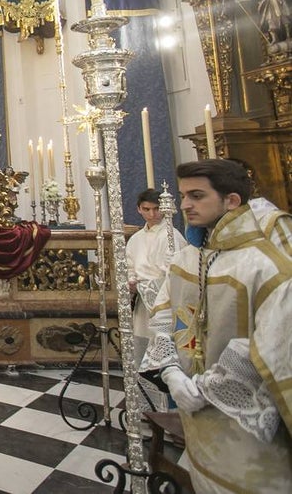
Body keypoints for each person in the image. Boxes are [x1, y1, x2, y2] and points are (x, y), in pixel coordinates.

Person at [141, 160, 292, 492]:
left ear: (232, 200)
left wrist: (205, 388)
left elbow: (274, 343)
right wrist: (170, 371)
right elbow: (164, 315)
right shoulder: (187, 259)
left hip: (246, 430)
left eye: (197, 196)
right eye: (182, 196)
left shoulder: (265, 263)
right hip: (197, 422)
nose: (184, 205)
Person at [126, 189, 180, 369]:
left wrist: (145, 286)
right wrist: (132, 282)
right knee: (143, 343)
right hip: (143, 302)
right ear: (138, 209)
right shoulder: (135, 239)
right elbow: (130, 265)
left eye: (156, 209)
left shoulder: (171, 235)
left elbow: (175, 271)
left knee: (164, 345)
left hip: (165, 301)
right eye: (146, 209)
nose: (152, 214)